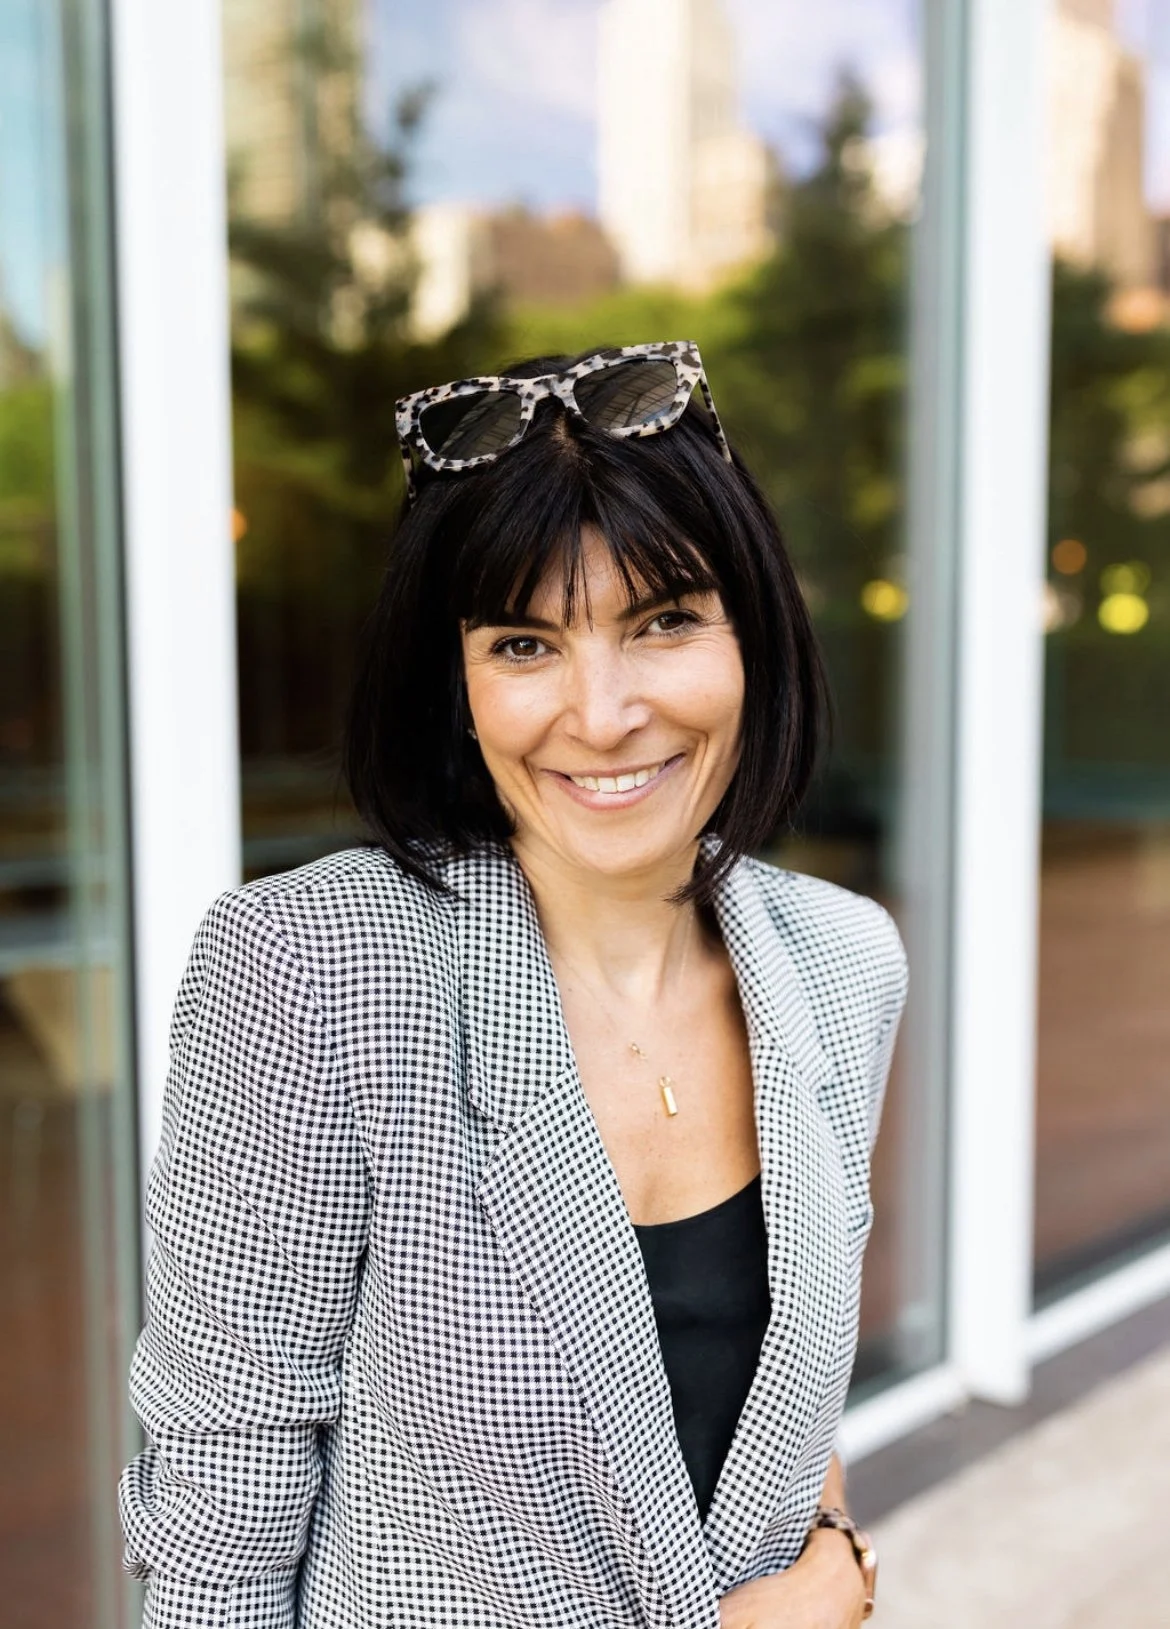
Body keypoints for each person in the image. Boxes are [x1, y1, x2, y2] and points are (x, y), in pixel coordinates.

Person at [118, 341, 907, 1628]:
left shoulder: (840, 960)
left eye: (663, 621)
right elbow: (222, 1502)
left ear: (751, 636)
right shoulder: (316, 968)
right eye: (526, 642)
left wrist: (837, 1551)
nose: (601, 714)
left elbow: (777, 1392)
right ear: (461, 684)